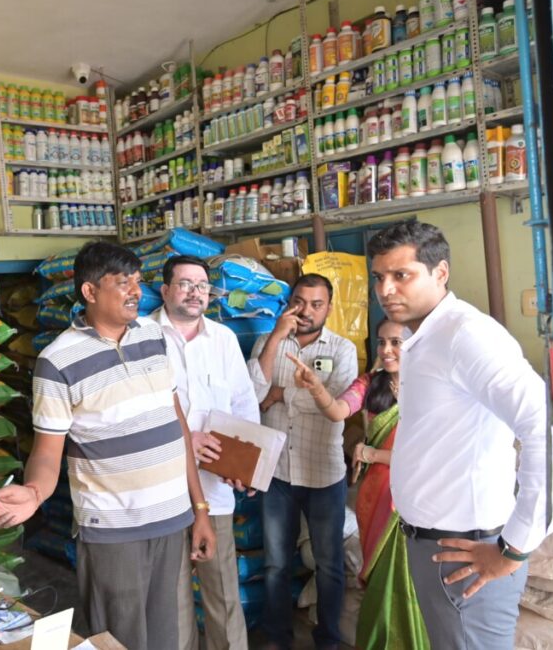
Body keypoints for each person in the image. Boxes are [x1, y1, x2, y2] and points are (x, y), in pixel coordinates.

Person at [0, 241, 216, 650]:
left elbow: (176, 423)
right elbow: (47, 451)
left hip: (172, 519)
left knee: (167, 638)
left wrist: (199, 508)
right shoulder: (58, 361)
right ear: (90, 291)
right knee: (121, 641)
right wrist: (33, 493)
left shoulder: (153, 336)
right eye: (122, 282)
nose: (136, 290)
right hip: (114, 529)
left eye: (138, 280)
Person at [366, 221, 553, 650]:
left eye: (402, 275)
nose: (386, 289)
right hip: (432, 545)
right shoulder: (422, 338)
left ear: (440, 273)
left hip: (467, 552)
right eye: (379, 277)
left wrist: (514, 548)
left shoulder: (466, 335)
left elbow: (543, 430)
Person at [288, 319, 430, 650]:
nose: (386, 350)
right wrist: (316, 388)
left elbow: (426, 456)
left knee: (413, 583)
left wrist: (372, 453)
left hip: (416, 498)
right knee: (381, 582)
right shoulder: (369, 384)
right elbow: (338, 411)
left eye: (396, 342)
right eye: (382, 342)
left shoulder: (431, 388)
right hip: (377, 497)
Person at [151, 255, 259, 650]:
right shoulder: (144, 336)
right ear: (165, 290)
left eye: (202, 285)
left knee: (224, 594)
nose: (195, 292)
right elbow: (138, 413)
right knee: (173, 595)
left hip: (214, 490)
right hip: (162, 490)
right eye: (185, 283)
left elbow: (243, 405)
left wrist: (244, 464)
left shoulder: (223, 339)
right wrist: (186, 440)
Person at [247, 273, 358, 650]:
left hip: (322, 473)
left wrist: (277, 394)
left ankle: (327, 640)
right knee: (276, 564)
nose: (306, 311)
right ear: (289, 302)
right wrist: (277, 337)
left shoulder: (342, 350)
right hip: (276, 471)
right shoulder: (268, 341)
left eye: (316, 304)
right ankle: (278, 637)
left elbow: (334, 406)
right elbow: (249, 393)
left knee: (328, 565)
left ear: (328, 307)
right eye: (300, 302)